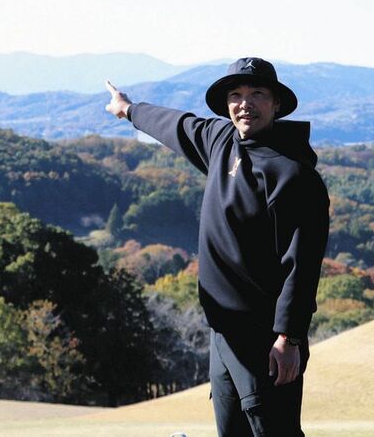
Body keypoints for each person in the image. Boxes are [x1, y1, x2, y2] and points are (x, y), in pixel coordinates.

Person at [105, 57, 329, 437]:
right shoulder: (220, 141)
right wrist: (129, 109)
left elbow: (302, 265)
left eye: (258, 94)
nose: (246, 103)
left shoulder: (292, 174)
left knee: (274, 430)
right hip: (222, 330)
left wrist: (288, 338)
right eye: (236, 95)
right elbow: (176, 124)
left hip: (266, 337)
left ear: (276, 104)